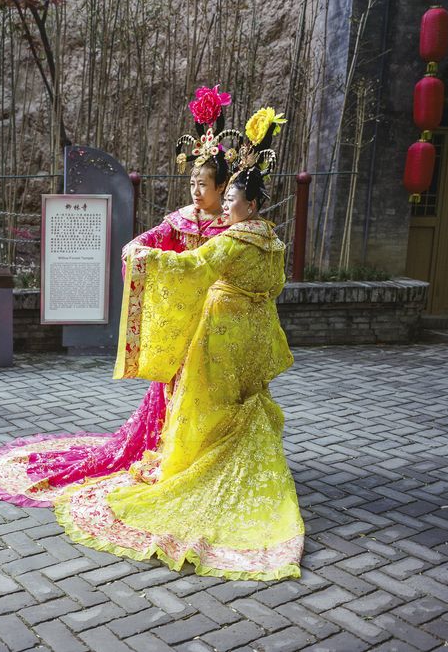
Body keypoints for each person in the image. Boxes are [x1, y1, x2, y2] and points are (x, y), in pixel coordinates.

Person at [52, 107, 304, 581]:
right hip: (247, 332)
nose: (201, 194)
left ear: (239, 198)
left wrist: (152, 262)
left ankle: (195, 465)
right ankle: (216, 455)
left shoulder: (233, 237)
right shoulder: (268, 238)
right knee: (235, 401)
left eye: (214, 188)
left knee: (201, 401)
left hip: (216, 333)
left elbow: (194, 269)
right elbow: (270, 285)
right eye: (197, 184)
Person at [0, 85, 234, 507]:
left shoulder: (232, 228)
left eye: (202, 183)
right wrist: (138, 249)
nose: (194, 190)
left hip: (217, 321)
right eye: (191, 181)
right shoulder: (183, 219)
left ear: (222, 187)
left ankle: (210, 450)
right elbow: (147, 240)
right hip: (184, 321)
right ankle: (176, 448)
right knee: (176, 387)